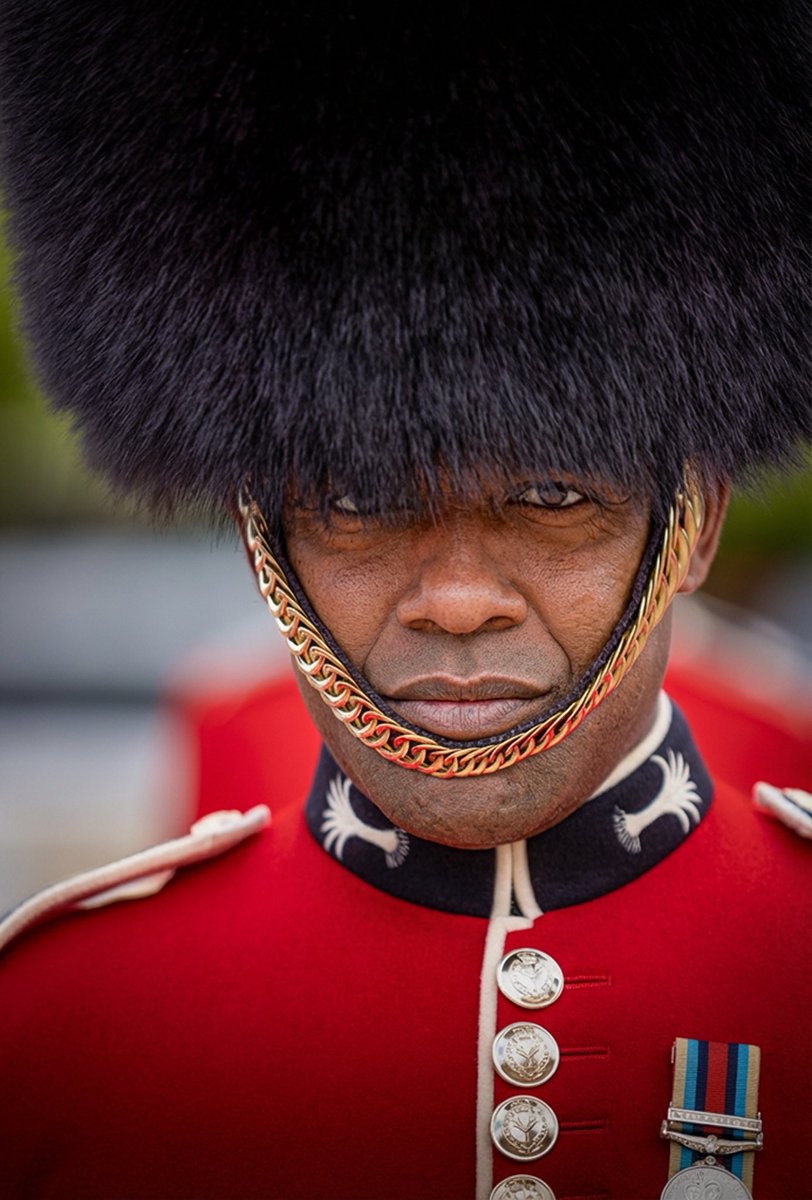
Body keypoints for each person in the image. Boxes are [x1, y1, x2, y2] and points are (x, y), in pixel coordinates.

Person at [0, 6, 808, 1199]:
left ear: (692, 523)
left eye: (549, 494)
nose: (458, 602)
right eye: (365, 502)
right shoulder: (62, 1025)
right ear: (256, 533)